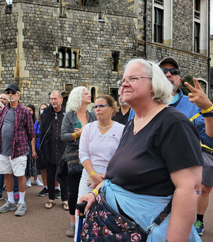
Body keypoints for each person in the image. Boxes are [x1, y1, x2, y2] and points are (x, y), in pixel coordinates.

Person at [78, 59, 202, 241]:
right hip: (112, 224)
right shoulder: (131, 124)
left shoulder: (174, 123)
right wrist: (94, 194)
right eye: (123, 80)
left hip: (146, 228)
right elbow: (116, 176)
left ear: (154, 85)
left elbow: (188, 188)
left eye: (133, 78)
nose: (124, 83)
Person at [158, 57, 213, 236]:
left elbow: (209, 139)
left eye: (174, 72)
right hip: (153, 174)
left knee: (179, 229)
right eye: (164, 71)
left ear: (179, 79)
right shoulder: (142, 103)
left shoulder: (193, 104)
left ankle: (198, 220)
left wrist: (208, 110)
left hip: (182, 172)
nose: (168, 74)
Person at [76, 94, 124, 239]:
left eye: (102, 106)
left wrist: (105, 177)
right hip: (88, 177)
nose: (97, 109)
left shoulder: (122, 129)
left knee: (109, 217)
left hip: (112, 179)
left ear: (112, 109)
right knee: (83, 212)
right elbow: (83, 154)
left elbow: (122, 156)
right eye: (95, 106)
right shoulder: (88, 128)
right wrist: (93, 175)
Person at [60, 86, 97, 237]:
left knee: (92, 189)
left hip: (91, 157)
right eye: (86, 93)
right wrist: (80, 134)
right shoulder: (69, 116)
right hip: (74, 158)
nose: (89, 95)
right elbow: (64, 136)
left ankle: (89, 220)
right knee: (74, 191)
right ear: (78, 97)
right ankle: (73, 223)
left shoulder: (92, 115)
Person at [0, 84, 34, 217]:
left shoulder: (24, 111)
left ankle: (22, 203)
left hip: (18, 150)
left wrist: (21, 142)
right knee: (7, 174)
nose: (10, 95)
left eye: (13, 92)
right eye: (8, 93)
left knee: (20, 175)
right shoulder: (3, 110)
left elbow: (30, 132)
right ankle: (11, 201)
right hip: (3, 149)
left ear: (18, 95)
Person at [40, 91, 68, 210]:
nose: (53, 101)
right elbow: (42, 129)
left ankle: (65, 199)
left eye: (55, 99)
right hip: (50, 148)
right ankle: (51, 199)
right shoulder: (46, 113)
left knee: (64, 175)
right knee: (50, 175)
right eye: (51, 99)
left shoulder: (68, 113)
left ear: (61, 100)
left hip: (64, 149)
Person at [33, 103, 49, 196]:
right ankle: (46, 187)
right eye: (41, 109)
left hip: (49, 149)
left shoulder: (51, 121)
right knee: (43, 169)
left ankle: (56, 188)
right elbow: (34, 137)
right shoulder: (37, 122)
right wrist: (34, 150)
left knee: (52, 169)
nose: (42, 110)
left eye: (44, 108)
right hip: (40, 148)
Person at [25, 104, 43, 187]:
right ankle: (27, 179)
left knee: (35, 162)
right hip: (26, 144)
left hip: (34, 144)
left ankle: (36, 179)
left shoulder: (36, 121)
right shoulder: (24, 120)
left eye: (30, 110)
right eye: (27, 110)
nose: (29, 112)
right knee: (28, 162)